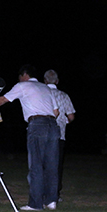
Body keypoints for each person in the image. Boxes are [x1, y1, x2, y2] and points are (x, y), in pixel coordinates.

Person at [0, 64, 60, 211]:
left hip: (37, 124)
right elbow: (56, 112)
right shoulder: (45, 87)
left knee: (36, 165)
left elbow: (2, 100)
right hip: (53, 125)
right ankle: (51, 201)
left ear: (24, 75)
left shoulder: (23, 85)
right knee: (52, 165)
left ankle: (35, 204)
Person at [44, 69, 76, 201]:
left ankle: (43, 192)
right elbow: (71, 116)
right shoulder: (64, 96)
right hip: (59, 134)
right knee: (57, 164)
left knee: (43, 163)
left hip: (43, 133)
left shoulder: (42, 94)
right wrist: (65, 122)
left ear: (45, 81)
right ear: (57, 81)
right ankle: (55, 194)